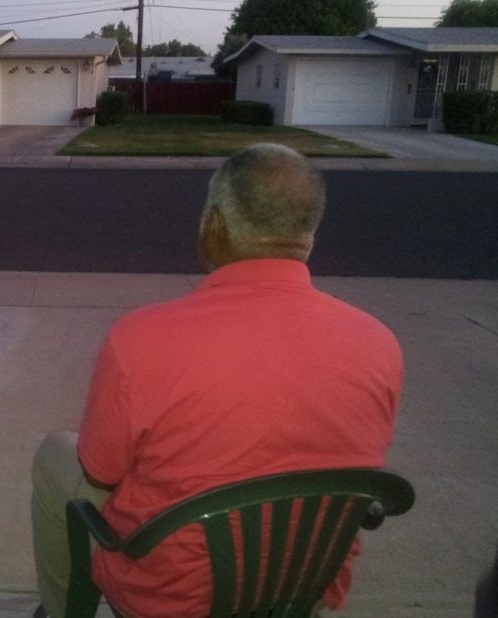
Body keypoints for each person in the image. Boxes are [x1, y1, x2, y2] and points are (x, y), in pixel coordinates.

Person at [31, 144, 403, 618]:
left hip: (170, 596)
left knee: (55, 454)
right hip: (300, 586)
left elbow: (100, 473)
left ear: (214, 224)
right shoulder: (379, 342)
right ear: (309, 233)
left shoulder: (142, 339)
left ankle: (61, 611)